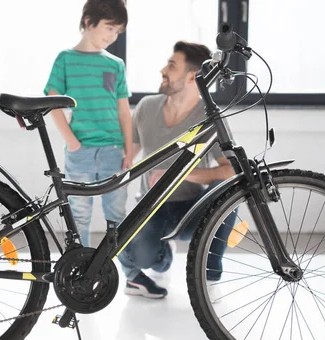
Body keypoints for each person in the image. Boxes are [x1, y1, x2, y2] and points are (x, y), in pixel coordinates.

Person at [117, 41, 237, 298]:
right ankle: (164, 256)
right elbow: (129, 154)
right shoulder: (147, 107)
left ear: (192, 76)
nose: (163, 70)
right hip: (152, 206)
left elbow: (231, 170)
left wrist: (181, 173)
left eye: (172, 66)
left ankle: (210, 267)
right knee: (141, 255)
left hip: (191, 209)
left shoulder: (210, 118)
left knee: (230, 190)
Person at [44, 0, 133, 247]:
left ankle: (116, 269)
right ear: (88, 21)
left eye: (117, 32)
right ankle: (79, 270)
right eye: (109, 28)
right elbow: (52, 100)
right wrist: (72, 142)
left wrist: (129, 149)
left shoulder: (115, 65)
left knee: (117, 215)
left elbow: (124, 112)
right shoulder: (65, 59)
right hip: (79, 152)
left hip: (113, 151)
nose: (113, 36)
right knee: (79, 216)